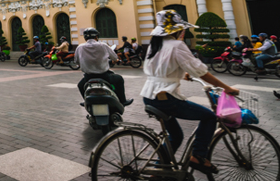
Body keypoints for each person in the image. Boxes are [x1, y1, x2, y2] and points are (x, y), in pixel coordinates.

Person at [141, 10, 239, 175]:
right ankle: (199, 157)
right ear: (178, 30)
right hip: (166, 98)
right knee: (209, 117)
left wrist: (182, 72)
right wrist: (227, 88)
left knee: (176, 136)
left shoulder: (155, 44)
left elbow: (163, 68)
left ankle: (160, 169)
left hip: (150, 96)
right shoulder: (177, 45)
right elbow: (201, 72)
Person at [75, 27, 132, 106]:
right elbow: (115, 58)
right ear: (96, 36)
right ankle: (123, 101)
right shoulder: (103, 45)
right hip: (104, 76)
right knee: (119, 79)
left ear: (85, 38)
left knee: (80, 85)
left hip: (88, 77)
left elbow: (77, 62)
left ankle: (86, 102)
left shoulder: (79, 47)